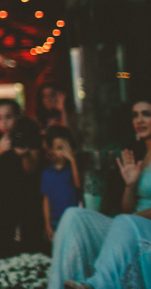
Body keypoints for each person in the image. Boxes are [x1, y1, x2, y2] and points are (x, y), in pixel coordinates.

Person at [49, 98, 151, 289]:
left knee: (123, 222)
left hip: (145, 231)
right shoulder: (138, 155)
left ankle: (95, 286)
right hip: (131, 226)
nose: (139, 120)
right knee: (74, 216)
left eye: (146, 114)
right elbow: (127, 209)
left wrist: (130, 220)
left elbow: (129, 217)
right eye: (135, 115)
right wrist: (131, 185)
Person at [0, 99, 43, 258]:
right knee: (1, 239)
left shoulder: (30, 128)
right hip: (2, 189)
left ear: (18, 116)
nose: (3, 123)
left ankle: (30, 272)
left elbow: (32, 169)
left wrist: (26, 155)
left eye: (8, 117)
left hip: (29, 189)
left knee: (32, 238)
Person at [42, 125, 80, 242]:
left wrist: (73, 160)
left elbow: (78, 185)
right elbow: (46, 200)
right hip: (55, 221)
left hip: (73, 221)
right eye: (59, 148)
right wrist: (47, 225)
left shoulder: (72, 169)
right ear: (51, 151)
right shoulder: (47, 173)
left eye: (66, 147)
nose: (64, 152)